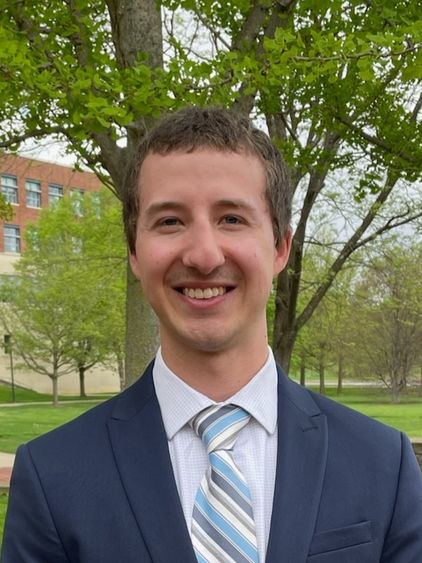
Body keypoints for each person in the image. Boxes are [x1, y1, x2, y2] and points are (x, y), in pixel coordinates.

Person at [1, 107, 421, 563]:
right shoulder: (52, 476)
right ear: (135, 254)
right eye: (170, 222)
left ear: (280, 247)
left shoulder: (383, 464)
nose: (203, 254)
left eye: (232, 219)